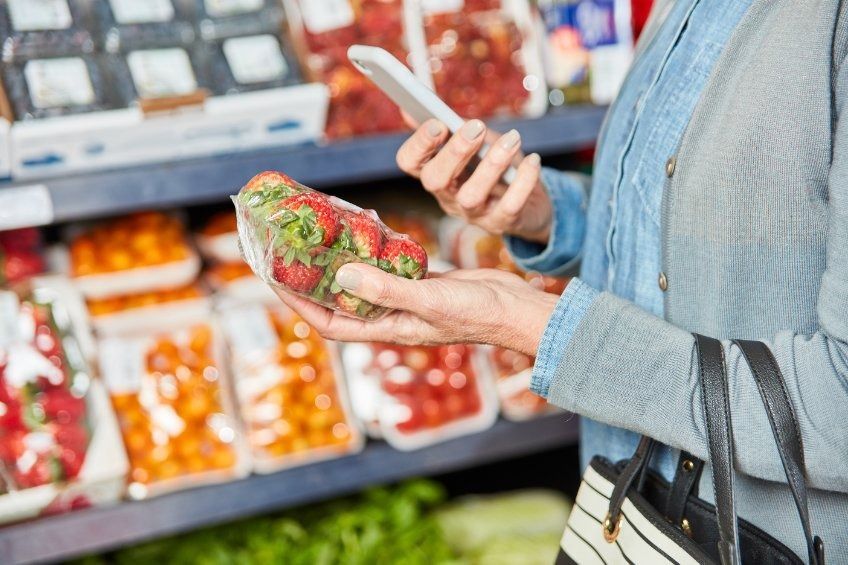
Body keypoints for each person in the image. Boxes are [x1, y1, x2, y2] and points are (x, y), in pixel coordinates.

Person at [276, 0, 848, 559]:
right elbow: (701, 228)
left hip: (757, 537)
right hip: (622, 511)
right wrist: (545, 212)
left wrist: (526, 322)